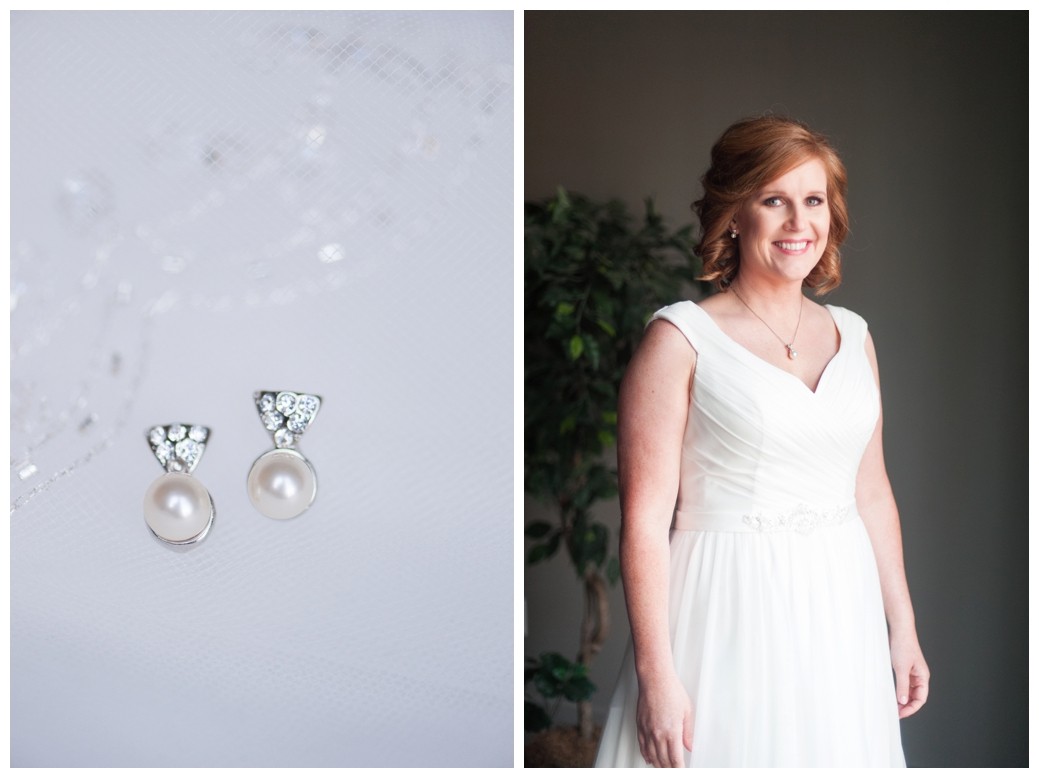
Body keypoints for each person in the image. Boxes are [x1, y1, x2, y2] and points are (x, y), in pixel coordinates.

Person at [593, 116, 929, 768]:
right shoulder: (678, 339)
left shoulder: (854, 336)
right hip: (725, 604)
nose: (797, 222)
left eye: (812, 201)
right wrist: (656, 677)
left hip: (839, 606)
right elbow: (641, 522)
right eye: (773, 200)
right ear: (733, 214)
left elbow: (872, 491)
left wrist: (902, 630)